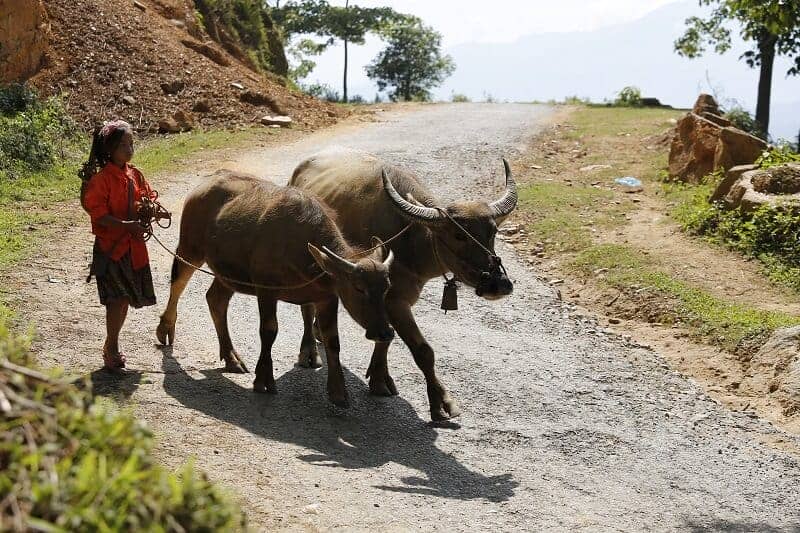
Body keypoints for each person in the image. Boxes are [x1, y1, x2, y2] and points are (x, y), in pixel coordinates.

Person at [79, 120, 161, 371]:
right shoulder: (102, 180)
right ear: (110, 149)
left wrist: (154, 211)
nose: (129, 149)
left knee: (124, 299)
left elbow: (147, 197)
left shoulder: (134, 174)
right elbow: (99, 215)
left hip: (133, 248)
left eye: (131, 144)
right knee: (118, 298)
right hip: (111, 248)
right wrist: (127, 225)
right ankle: (111, 347)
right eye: (124, 145)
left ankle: (111, 343)